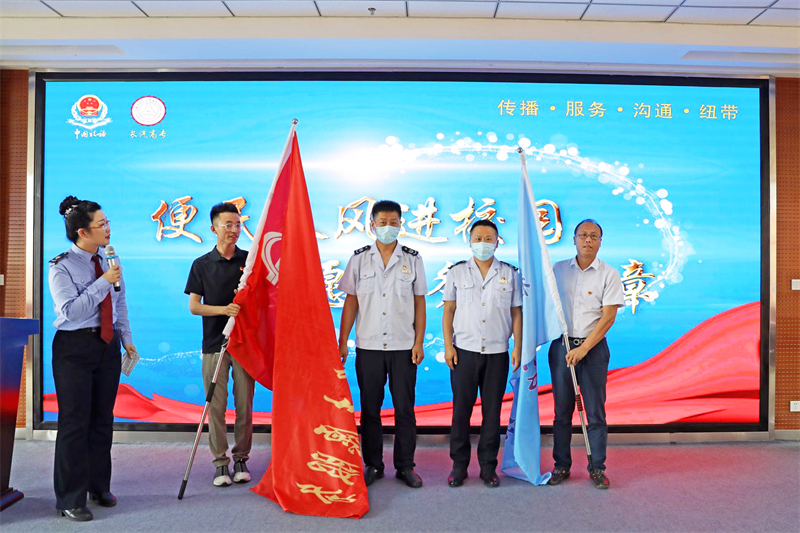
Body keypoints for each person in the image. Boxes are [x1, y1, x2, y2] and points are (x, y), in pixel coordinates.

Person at [48, 196, 136, 521]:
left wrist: (127, 340)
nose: (108, 228)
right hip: (74, 348)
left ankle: (99, 486)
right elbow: (70, 312)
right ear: (83, 232)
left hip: (107, 345)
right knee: (75, 422)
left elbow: (119, 301)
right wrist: (102, 282)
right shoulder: (61, 266)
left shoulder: (110, 258)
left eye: (107, 222)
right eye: (102, 224)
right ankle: (70, 498)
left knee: (102, 419)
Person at [337, 200, 427, 489]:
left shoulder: (413, 259)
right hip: (369, 346)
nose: (388, 227)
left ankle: (405, 466)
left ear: (401, 224)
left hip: (403, 346)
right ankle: (373, 464)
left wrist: (419, 342)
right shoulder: (359, 258)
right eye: (383, 222)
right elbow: (351, 301)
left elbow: (420, 303)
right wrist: (343, 340)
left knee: (405, 409)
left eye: (394, 222)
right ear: (372, 225)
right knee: (370, 409)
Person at [442, 219, 522, 488]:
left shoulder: (510, 273)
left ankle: (488, 466)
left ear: (497, 242)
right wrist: (448, 346)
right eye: (478, 238)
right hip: (463, 352)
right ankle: (459, 466)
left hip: (497, 353)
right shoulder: (457, 272)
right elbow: (449, 311)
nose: (483, 243)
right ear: (470, 241)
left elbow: (516, 312)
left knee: (492, 412)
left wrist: (518, 346)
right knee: (460, 411)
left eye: (489, 239)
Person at [547, 219, 624, 490]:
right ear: (574, 239)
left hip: (593, 349)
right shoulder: (557, 270)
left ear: (601, 241)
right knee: (561, 412)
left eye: (593, 236)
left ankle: (597, 467)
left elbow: (608, 318)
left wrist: (583, 349)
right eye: (583, 235)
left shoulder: (609, 274)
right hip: (562, 347)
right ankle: (561, 465)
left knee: (595, 412)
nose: (588, 240)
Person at [185, 202, 255, 487]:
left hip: (245, 344)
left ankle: (241, 459)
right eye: (228, 225)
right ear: (214, 228)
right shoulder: (202, 264)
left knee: (244, 404)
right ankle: (220, 463)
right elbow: (194, 307)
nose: (234, 230)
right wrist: (224, 310)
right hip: (215, 343)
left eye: (238, 225)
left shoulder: (250, 262)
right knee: (215, 406)